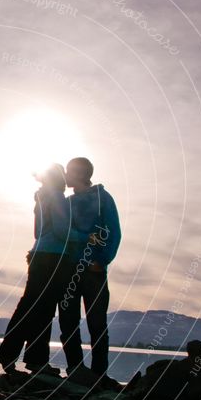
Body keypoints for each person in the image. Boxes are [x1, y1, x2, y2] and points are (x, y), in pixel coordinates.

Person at [0, 164, 90, 375]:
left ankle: (14, 355)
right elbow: (61, 231)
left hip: (39, 256)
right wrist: (83, 237)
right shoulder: (57, 197)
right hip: (54, 259)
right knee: (44, 310)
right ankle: (33, 360)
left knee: (30, 306)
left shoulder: (41, 198)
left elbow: (38, 232)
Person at [57, 157, 121, 380]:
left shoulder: (103, 198)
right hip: (68, 271)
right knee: (68, 321)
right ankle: (76, 369)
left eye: (70, 171)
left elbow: (113, 231)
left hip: (94, 271)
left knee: (97, 323)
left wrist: (102, 260)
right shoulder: (66, 203)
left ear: (82, 174)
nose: (66, 175)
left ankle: (99, 374)